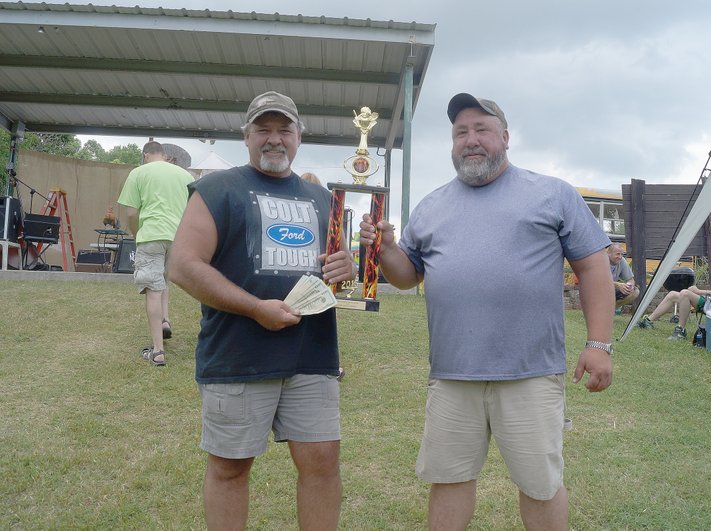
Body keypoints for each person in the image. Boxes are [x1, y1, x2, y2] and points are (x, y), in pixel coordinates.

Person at [359, 93, 614, 530]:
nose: (470, 140)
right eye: (461, 132)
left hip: (531, 372)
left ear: (506, 137)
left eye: (482, 129)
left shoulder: (553, 194)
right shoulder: (432, 204)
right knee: (449, 480)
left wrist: (598, 344)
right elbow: (407, 276)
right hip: (453, 374)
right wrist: (386, 249)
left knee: (541, 485)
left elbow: (593, 266)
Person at [168, 90, 356, 531]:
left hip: (312, 355)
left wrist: (345, 267)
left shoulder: (322, 198)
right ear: (246, 136)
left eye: (284, 129)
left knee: (323, 462)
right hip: (238, 355)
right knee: (230, 468)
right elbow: (183, 265)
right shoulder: (218, 189)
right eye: (263, 130)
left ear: (298, 137)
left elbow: (336, 268)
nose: (275, 139)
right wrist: (255, 309)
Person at [117, 140, 194, 366]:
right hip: (178, 237)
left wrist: (136, 233)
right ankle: (165, 321)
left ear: (145, 155)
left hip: (151, 234)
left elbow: (131, 213)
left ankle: (158, 352)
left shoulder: (139, 173)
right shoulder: (185, 176)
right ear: (165, 154)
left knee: (152, 289)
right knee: (164, 279)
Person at [638, 243, 711, 340]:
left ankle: (681, 330)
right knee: (672, 295)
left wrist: (699, 291)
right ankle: (648, 321)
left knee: (685, 293)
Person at [608, 243, 640, 309]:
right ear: (609, 253)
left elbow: (631, 279)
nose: (620, 257)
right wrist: (617, 285)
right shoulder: (601, 261)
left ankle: (609, 309)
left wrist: (629, 286)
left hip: (611, 291)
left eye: (622, 254)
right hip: (596, 291)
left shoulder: (621, 260)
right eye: (617, 254)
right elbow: (600, 281)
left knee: (635, 291)